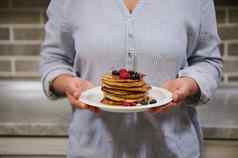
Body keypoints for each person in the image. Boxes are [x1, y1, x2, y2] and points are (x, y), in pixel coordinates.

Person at [40, 0, 223, 157]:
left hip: (172, 150)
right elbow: (54, 60)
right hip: (92, 149)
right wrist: (68, 83)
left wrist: (190, 84)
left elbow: (208, 61)